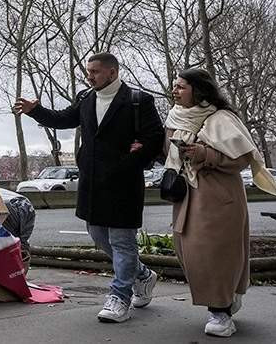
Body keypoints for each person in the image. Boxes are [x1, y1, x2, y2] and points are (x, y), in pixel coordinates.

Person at [14, 53, 164, 322]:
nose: (89, 76)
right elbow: (63, 119)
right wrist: (34, 110)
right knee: (97, 235)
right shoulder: (86, 98)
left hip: (124, 182)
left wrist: (130, 161)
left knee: (121, 240)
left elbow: (154, 138)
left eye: (95, 71)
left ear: (113, 72)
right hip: (92, 182)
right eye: (88, 71)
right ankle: (142, 274)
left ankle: (119, 297)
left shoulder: (138, 100)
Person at [164, 68, 276, 337]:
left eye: (181, 87)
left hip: (217, 196)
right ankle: (225, 297)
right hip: (186, 195)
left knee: (214, 254)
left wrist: (205, 153)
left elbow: (241, 158)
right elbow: (168, 154)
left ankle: (221, 311)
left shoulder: (222, 118)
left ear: (198, 90)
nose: (175, 91)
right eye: (175, 86)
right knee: (187, 251)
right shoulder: (174, 117)